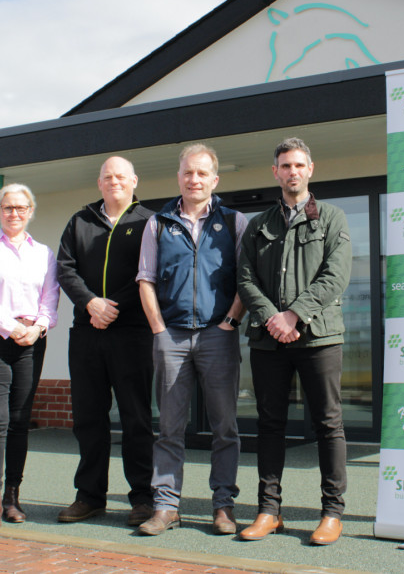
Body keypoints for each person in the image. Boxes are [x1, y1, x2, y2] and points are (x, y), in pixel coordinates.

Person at [237, 138, 352, 545]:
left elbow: (335, 276)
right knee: (269, 425)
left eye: (299, 165)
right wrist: (272, 318)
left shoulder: (333, 218)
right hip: (270, 342)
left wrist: (294, 314)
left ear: (310, 169)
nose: (292, 172)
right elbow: (245, 278)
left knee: (328, 424)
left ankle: (331, 513)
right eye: (285, 165)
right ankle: (269, 511)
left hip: (319, 339)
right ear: (275, 172)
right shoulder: (259, 225)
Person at [135, 143, 247, 536]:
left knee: (225, 428)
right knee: (169, 427)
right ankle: (166, 506)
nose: (193, 179)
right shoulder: (158, 223)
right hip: (173, 337)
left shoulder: (235, 222)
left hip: (219, 335)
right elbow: (145, 279)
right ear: (178, 176)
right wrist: (159, 330)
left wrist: (231, 321)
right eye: (187, 172)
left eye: (202, 173)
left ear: (214, 179)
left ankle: (223, 506)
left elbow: (245, 281)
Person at [56, 156, 155, 526]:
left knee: (136, 418)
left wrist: (114, 307)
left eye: (120, 176)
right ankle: (90, 496)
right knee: (88, 418)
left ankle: (143, 498)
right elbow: (65, 269)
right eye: (107, 177)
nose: (114, 181)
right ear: (99, 183)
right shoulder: (79, 222)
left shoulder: (150, 223)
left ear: (134, 181)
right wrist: (91, 303)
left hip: (132, 333)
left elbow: (153, 273)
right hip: (86, 334)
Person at [0, 183, 59, 531]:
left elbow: (50, 296)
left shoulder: (44, 253)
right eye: (7, 208)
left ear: (31, 211)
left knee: (20, 421)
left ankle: (13, 499)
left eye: (21, 208)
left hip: (32, 341)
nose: (14, 213)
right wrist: (10, 327)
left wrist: (37, 328)